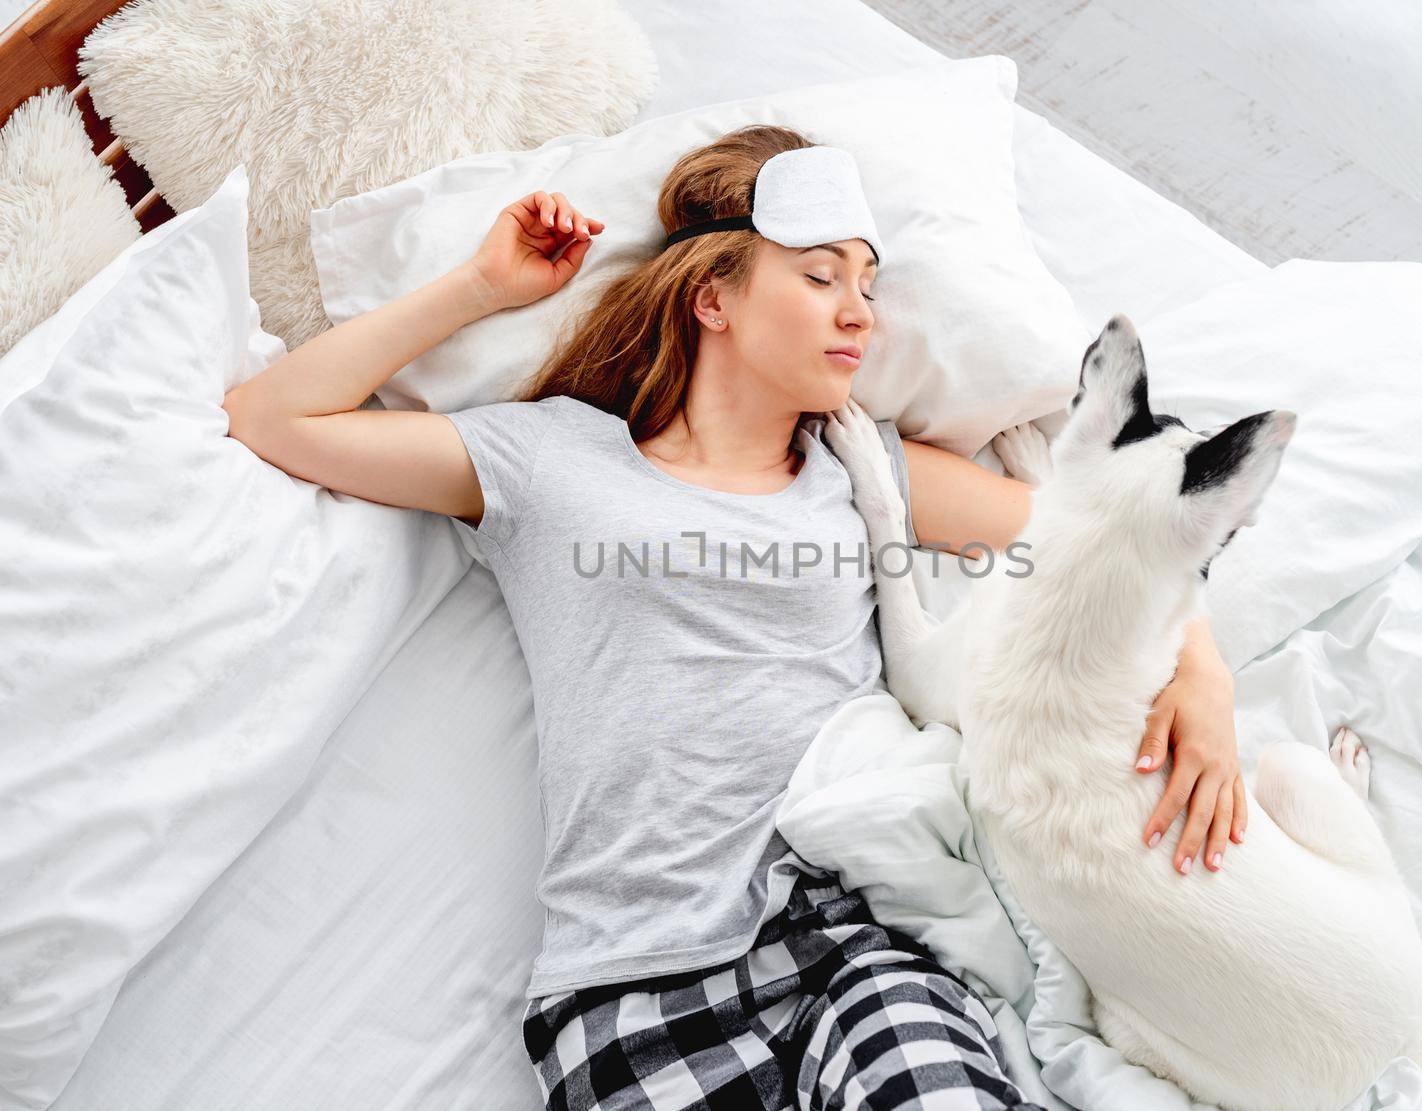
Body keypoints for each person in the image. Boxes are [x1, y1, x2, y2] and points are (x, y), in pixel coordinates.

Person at [222, 124, 1245, 1109]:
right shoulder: (552, 460)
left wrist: (1203, 679)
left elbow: (1111, 546)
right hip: (633, 983)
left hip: (853, 936)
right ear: (713, 297)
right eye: (820, 276)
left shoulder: (861, 467)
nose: (860, 313)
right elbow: (273, 418)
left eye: (869, 286)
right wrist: (481, 287)